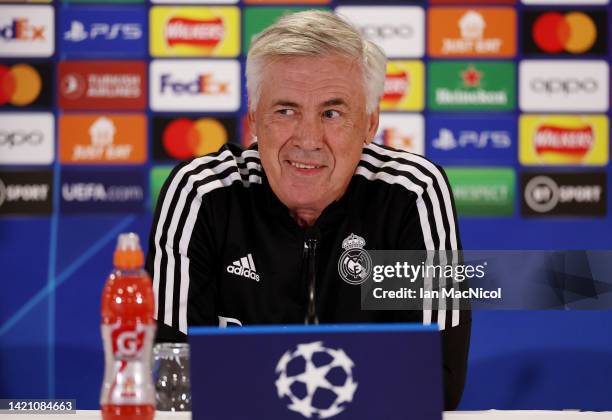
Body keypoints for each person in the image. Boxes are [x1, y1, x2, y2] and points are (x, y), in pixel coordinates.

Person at [146, 10, 470, 410]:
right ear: (254, 119)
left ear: (369, 124)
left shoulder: (411, 194)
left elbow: (433, 381)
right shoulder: (202, 193)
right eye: (286, 110)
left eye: (331, 113)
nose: (308, 139)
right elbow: (169, 381)